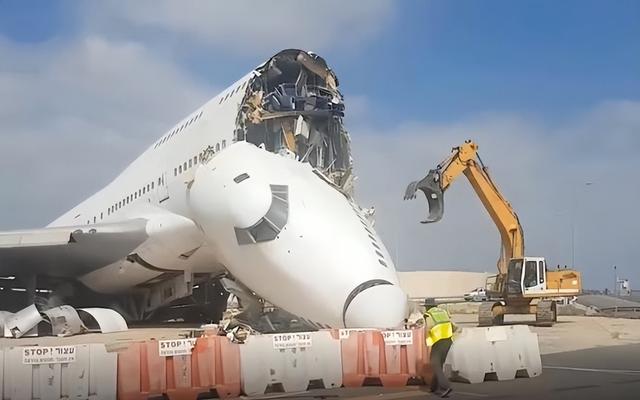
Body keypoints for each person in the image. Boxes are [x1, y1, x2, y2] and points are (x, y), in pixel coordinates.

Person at [423, 298, 456, 398]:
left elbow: (429, 327)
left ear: (427, 307)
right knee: (438, 363)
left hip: (438, 341)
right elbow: (453, 325)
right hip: (448, 340)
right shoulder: (443, 312)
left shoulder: (428, 314)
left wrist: (427, 339)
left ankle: (445, 387)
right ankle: (434, 387)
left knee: (434, 363)